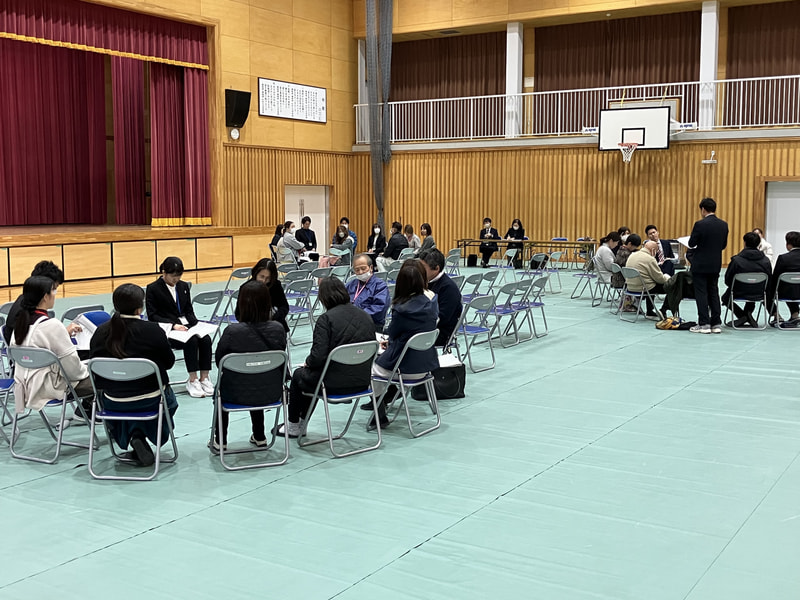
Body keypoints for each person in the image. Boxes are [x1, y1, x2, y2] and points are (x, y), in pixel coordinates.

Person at [88, 284, 178, 467]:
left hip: (112, 400)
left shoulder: (101, 332)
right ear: (139, 308)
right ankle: (139, 434)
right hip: (151, 399)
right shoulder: (153, 330)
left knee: (125, 398)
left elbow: (94, 366)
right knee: (167, 401)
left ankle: (134, 436)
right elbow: (169, 363)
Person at [279, 277, 375, 438]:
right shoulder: (366, 316)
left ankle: (294, 425)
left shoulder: (326, 319)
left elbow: (318, 357)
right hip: (363, 381)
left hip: (333, 383)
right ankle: (301, 424)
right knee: (311, 377)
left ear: (323, 297)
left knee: (299, 376)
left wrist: (308, 363)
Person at [212, 281, 287, 451]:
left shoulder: (232, 331)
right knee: (258, 374)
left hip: (234, 392)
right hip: (271, 390)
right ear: (267, 303)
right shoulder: (278, 329)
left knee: (230, 386)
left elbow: (220, 362)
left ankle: (220, 440)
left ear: (241, 304)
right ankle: (259, 436)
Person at [10, 276, 93, 420]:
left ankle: (86, 410)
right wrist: (88, 369)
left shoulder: (20, 324)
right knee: (104, 377)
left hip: (24, 386)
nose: (55, 295)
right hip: (50, 388)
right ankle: (91, 414)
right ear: (45, 296)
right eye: (53, 291)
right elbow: (73, 370)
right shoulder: (52, 325)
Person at [369, 263, 440, 430]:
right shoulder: (433, 301)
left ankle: (379, 415)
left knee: (370, 369)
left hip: (405, 368)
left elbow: (393, 333)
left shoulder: (402, 309)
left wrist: (390, 342)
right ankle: (387, 399)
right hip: (426, 366)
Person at [145, 257, 214, 397]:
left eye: (179, 276)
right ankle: (193, 379)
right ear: (164, 272)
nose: (176, 279)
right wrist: (173, 325)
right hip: (168, 329)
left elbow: (189, 310)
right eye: (173, 276)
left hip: (185, 326)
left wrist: (196, 325)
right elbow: (153, 315)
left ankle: (204, 377)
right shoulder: (153, 288)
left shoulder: (183, 286)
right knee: (191, 341)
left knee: (205, 339)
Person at [3, 261, 82, 346]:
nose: (54, 293)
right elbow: (37, 342)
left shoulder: (25, 302)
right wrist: (64, 333)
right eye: (53, 289)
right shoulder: (30, 313)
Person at [687, 197, 729, 334]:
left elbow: (692, 243)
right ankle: (716, 323)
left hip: (700, 264)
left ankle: (704, 323)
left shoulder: (700, 224)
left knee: (701, 293)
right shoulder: (723, 225)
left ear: (703, 209)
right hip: (715, 263)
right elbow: (723, 245)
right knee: (714, 292)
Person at [721, 232, 772, 328]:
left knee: (725, 298)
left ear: (744, 243)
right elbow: (769, 280)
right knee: (753, 288)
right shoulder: (766, 261)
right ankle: (747, 315)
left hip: (738, 292)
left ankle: (743, 316)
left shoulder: (736, 260)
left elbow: (728, 280)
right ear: (759, 244)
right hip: (759, 292)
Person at [419, 249, 462, 347]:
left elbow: (441, 318)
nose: (419, 270)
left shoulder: (449, 288)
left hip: (439, 333)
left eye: (423, 267)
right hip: (423, 327)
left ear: (436, 268)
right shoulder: (424, 281)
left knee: (400, 338)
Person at [625, 239, 671, 319]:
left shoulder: (632, 255)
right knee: (672, 287)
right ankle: (663, 310)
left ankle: (650, 311)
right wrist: (667, 277)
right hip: (643, 288)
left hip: (630, 287)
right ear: (653, 250)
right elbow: (659, 279)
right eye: (656, 251)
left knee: (650, 282)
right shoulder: (650, 259)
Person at [346, 254, 390, 332]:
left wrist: (357, 316)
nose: (360, 272)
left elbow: (379, 309)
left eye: (363, 268)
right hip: (350, 323)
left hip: (371, 325)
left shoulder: (380, 286)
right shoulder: (350, 285)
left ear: (371, 268)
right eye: (357, 270)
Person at [247, 258, 290, 332]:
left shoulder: (276, 285)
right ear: (256, 273)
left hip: (274, 324)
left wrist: (275, 318)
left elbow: (284, 306)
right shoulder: (247, 288)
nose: (264, 281)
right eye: (261, 276)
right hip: (253, 328)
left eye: (268, 278)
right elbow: (239, 313)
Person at [767, 230, 800, 325]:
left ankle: (776, 315)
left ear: (788, 244)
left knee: (766, 292)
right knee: (793, 286)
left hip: (786, 292)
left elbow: (775, 278)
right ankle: (795, 315)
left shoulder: (783, 258)